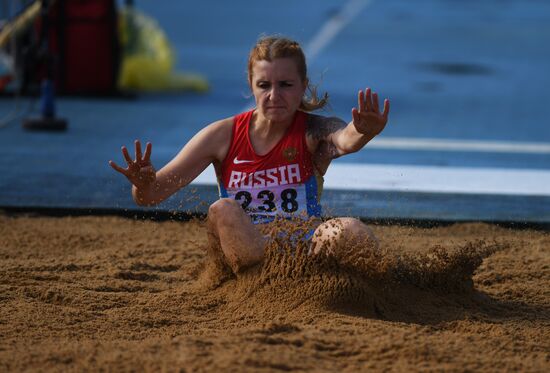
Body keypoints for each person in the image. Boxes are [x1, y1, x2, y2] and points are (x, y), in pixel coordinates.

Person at [109, 36, 390, 274]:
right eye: (264, 85)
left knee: (349, 229)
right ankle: (253, 289)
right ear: (251, 85)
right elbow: (150, 196)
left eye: (286, 85)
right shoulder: (222, 135)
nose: (274, 96)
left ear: (303, 86)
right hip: (246, 255)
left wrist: (364, 130)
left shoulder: (313, 130)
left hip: (303, 258)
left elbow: (345, 140)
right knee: (223, 210)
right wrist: (143, 184)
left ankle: (383, 292)